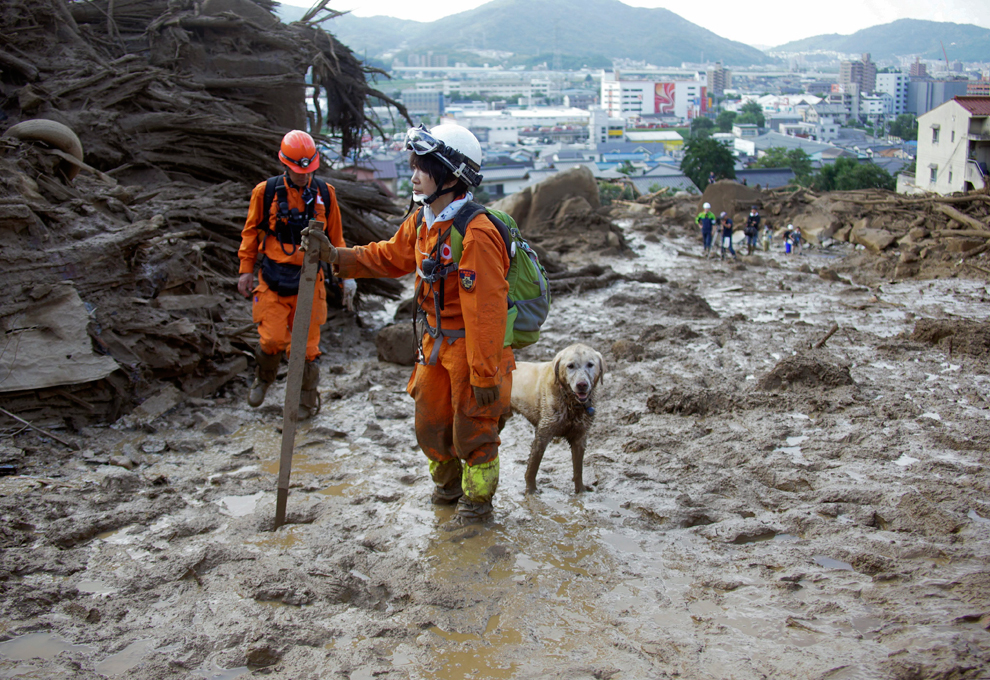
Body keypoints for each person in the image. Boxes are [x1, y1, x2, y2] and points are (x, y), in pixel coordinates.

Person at [302, 123, 513, 528]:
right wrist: (336, 256)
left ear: (451, 176)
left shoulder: (477, 233)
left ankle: (477, 505)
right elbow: (389, 257)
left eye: (423, 168)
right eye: (413, 166)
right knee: (431, 427)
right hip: (435, 346)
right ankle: (448, 488)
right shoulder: (423, 220)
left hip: (474, 352)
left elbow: (486, 312)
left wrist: (485, 374)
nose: (413, 175)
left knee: (474, 432)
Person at [237, 129, 348, 418]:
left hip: (310, 283)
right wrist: (245, 271)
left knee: (308, 349)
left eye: (307, 170)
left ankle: (306, 400)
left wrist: (347, 276)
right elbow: (250, 234)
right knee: (271, 339)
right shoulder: (266, 192)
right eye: (298, 169)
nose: (303, 175)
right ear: (285, 163)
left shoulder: (325, 194)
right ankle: (264, 378)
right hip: (273, 279)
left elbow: (337, 239)